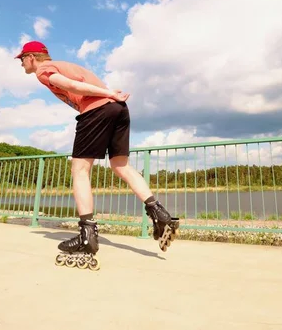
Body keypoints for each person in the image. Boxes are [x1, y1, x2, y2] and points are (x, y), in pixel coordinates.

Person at [15, 41, 179, 260]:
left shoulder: (44, 70)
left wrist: (108, 92)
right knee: (121, 165)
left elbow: (70, 85)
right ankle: (160, 214)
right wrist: (111, 96)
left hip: (98, 109)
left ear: (31, 57)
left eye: (22, 59)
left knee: (80, 170)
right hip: (118, 109)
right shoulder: (66, 64)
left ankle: (87, 236)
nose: (21, 64)